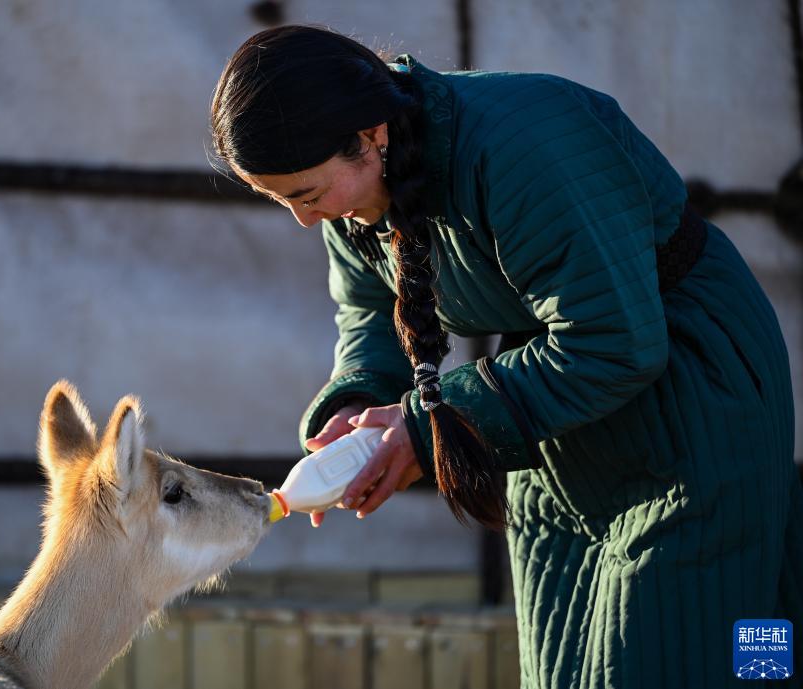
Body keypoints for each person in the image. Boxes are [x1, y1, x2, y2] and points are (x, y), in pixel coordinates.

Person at [210, 24, 801, 688]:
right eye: (284, 200)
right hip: (548, 424)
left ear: (371, 132)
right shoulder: (357, 199)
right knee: (563, 666)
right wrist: (357, 403)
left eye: (306, 195)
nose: (303, 220)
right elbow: (369, 310)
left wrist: (426, 424)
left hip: (687, 396)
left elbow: (613, 341)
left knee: (690, 650)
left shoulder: (523, 144)